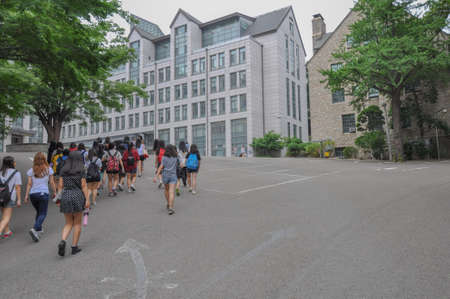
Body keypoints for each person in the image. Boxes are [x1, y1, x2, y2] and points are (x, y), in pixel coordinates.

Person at [57, 151, 90, 256]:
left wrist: (59, 198)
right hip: (77, 195)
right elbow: (84, 186)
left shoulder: (63, 170)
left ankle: (63, 240)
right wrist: (87, 200)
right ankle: (74, 247)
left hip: (66, 195)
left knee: (68, 223)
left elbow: (60, 185)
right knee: (77, 223)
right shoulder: (81, 170)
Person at [24, 152, 56, 242]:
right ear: (44, 159)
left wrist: (26, 195)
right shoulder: (48, 169)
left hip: (33, 195)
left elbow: (29, 184)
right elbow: (52, 182)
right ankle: (34, 229)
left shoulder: (31, 170)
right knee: (43, 213)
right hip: (43, 194)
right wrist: (55, 192)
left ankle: (38, 229)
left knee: (39, 212)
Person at [0, 156, 22, 240]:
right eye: (14, 161)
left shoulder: (1, 172)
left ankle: (7, 231)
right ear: (12, 163)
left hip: (0, 196)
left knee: (4, 215)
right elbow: (17, 187)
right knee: (6, 217)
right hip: (9, 197)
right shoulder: (16, 173)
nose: (15, 163)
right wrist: (19, 199)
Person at [153, 144, 178, 215]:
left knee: (166, 190)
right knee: (172, 192)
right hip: (173, 175)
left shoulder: (164, 157)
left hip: (165, 175)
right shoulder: (175, 157)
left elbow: (161, 167)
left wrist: (156, 176)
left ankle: (168, 203)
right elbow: (181, 163)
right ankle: (171, 207)